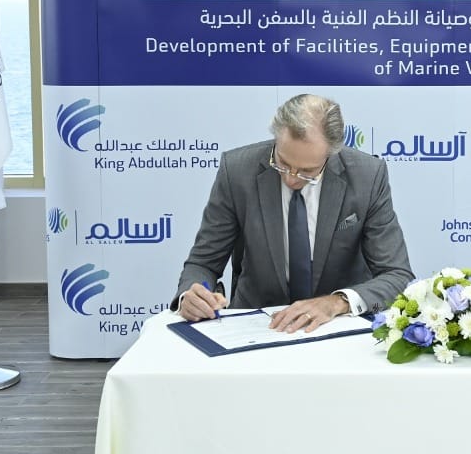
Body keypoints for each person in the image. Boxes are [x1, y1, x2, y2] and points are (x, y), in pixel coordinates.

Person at [174, 93, 414, 332]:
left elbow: (397, 275)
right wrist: (192, 295)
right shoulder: (237, 171)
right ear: (276, 137)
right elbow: (204, 263)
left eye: (307, 172)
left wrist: (337, 302)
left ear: (331, 154)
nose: (291, 179)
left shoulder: (367, 176)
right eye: (282, 163)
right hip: (258, 326)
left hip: (336, 327)